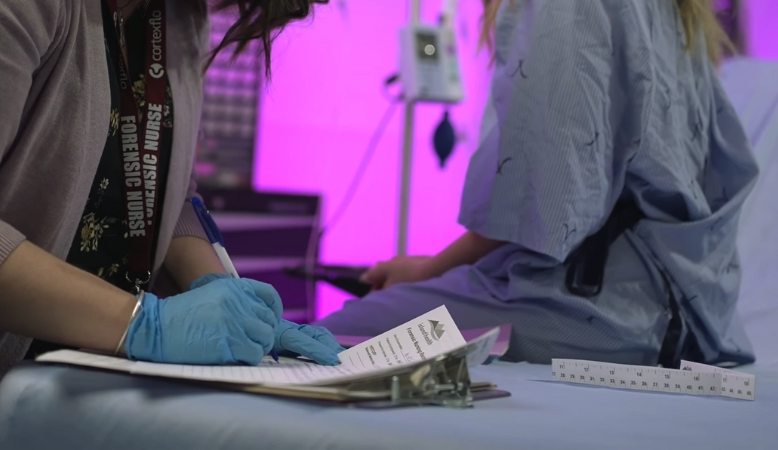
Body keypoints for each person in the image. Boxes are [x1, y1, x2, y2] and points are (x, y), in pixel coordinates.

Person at [315, 0, 759, 369]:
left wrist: (427, 272)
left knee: (326, 341)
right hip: (687, 311)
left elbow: (542, 202)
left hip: (603, 312)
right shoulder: (679, 13)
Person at [0, 0, 342, 422]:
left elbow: (169, 189)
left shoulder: (178, 16)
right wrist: (145, 324)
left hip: (90, 390)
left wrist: (224, 294)